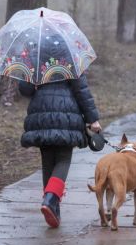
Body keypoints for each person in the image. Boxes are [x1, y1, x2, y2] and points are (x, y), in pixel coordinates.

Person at [19, 76, 102, 229]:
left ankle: (52, 208)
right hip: (66, 112)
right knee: (63, 159)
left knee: (48, 161)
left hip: (41, 112)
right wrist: (93, 119)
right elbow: (81, 91)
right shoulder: (71, 59)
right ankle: (51, 200)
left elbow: (25, 90)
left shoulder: (35, 59)